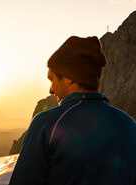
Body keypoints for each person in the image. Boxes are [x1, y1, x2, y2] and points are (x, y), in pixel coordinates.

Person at [9, 36, 136, 185]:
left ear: (69, 77)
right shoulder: (130, 125)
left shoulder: (47, 124)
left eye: (52, 79)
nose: (50, 90)